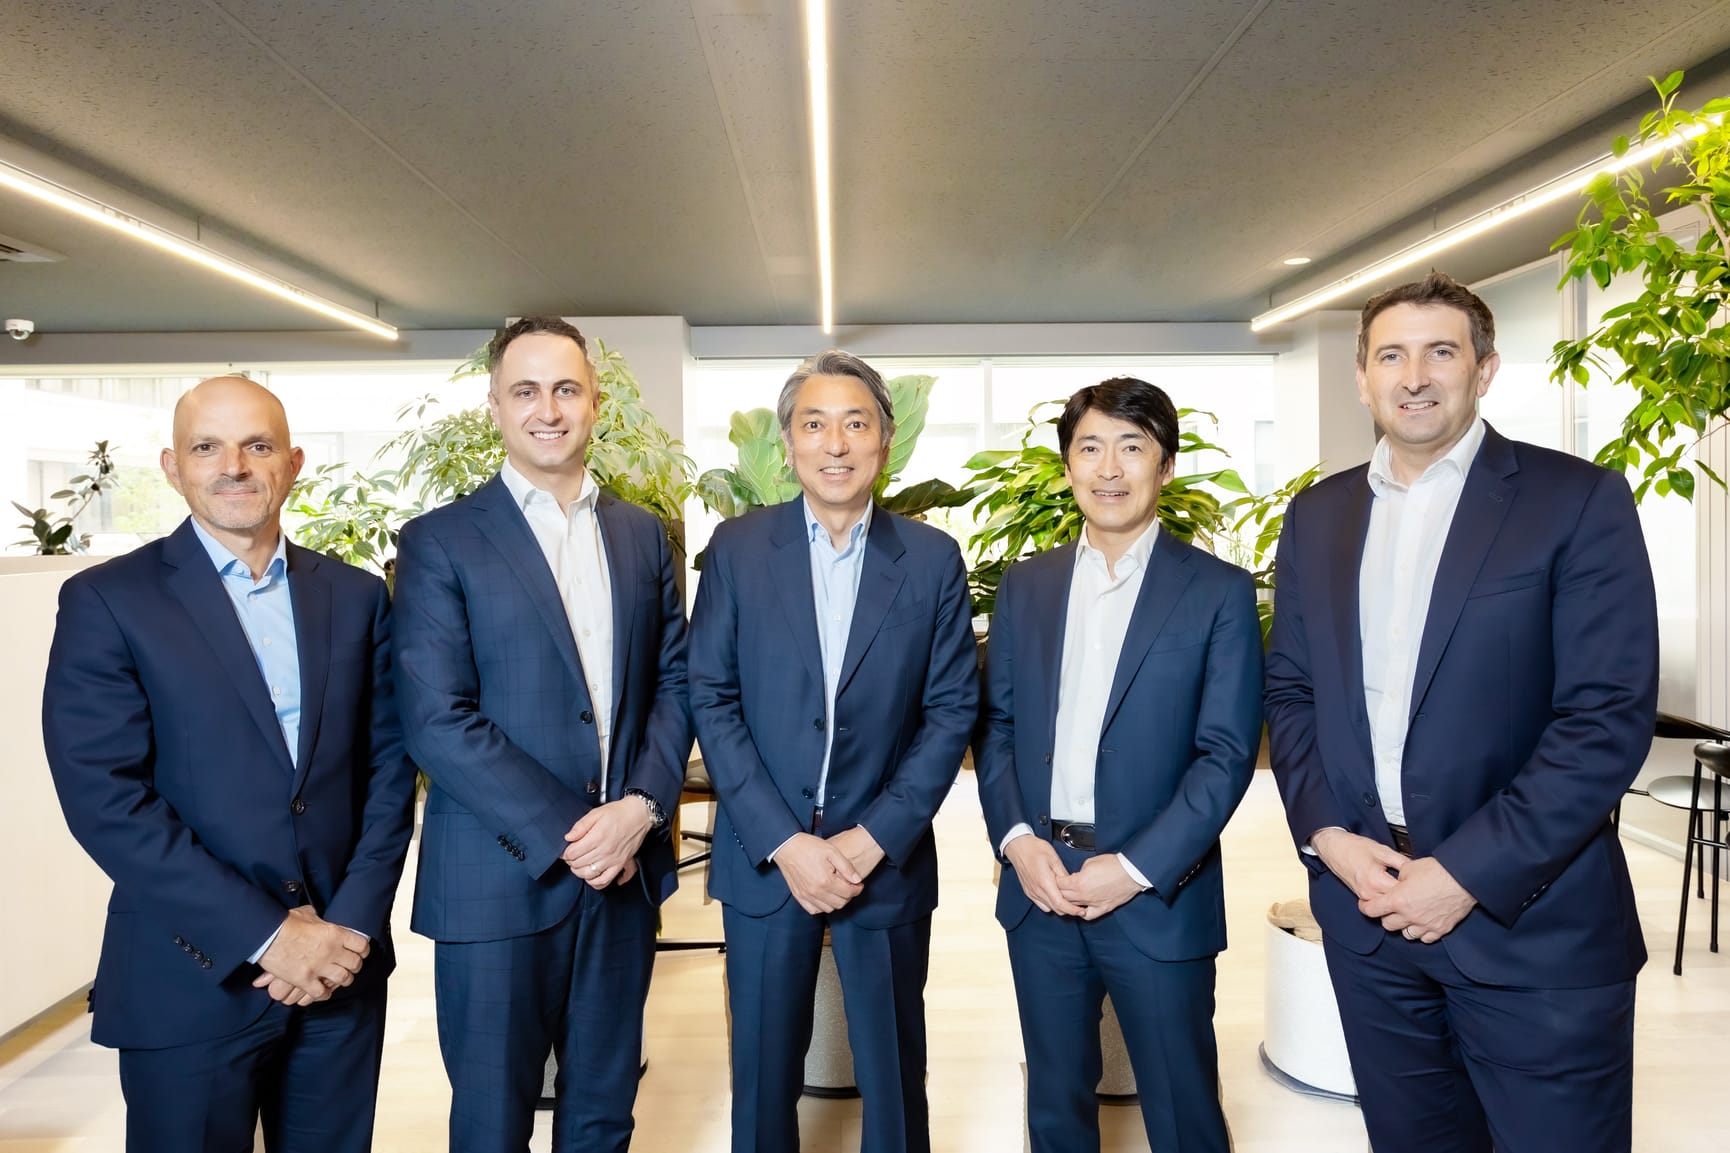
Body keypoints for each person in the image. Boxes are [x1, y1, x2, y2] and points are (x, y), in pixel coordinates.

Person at [1265, 271, 1658, 1153]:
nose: (1415, 376)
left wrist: (1467, 873)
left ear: (1484, 370)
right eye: (1391, 355)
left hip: (1531, 931)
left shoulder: (1576, 500)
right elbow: (1290, 691)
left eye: (1441, 351)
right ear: (1361, 377)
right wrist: (1326, 834)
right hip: (1370, 925)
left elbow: (1605, 718)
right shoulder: (1320, 515)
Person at [41, 375, 418, 1153]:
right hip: (190, 975)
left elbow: (388, 771)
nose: (233, 465)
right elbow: (106, 801)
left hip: (339, 976)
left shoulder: (353, 597)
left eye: (258, 444)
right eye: (206, 446)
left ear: (294, 462)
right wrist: (269, 934)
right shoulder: (108, 600)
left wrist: (345, 926)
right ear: (172, 467)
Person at [392, 317, 691, 1152]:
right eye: (525, 390)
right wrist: (579, 834)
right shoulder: (438, 541)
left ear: (596, 402)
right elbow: (435, 718)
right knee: (492, 1123)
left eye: (565, 388)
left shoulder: (641, 534)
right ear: (494, 405)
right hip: (497, 883)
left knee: (603, 1116)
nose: (547, 409)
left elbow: (678, 680)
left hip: (621, 881)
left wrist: (639, 807)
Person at [688, 349, 977, 1153]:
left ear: (886, 442)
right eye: (815, 424)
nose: (836, 443)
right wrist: (783, 839)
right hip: (763, 857)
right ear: (789, 444)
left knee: (892, 1076)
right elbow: (710, 694)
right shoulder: (739, 550)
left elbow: (950, 710)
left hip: (880, 859)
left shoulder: (930, 560)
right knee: (760, 1078)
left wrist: (872, 835)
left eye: (857, 423)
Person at [972, 377, 1261, 1153]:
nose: (1109, 467)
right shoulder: (1026, 587)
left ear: (1164, 467)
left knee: (1182, 1108)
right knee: (1055, 1108)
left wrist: (1132, 867)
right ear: (1067, 465)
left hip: (1157, 893)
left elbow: (1226, 754)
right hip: (1042, 885)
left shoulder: (1218, 593)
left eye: (1132, 447)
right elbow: (995, 725)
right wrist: (1016, 840)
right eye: (1090, 447)